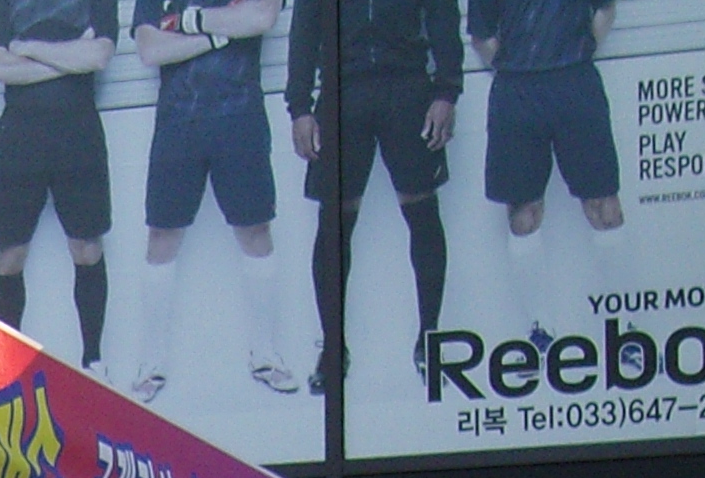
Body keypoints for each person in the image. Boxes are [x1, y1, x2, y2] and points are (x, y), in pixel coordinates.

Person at [287, 0, 463, 396]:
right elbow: (304, 28)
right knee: (334, 225)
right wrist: (299, 107)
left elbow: (442, 14)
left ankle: (430, 339)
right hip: (341, 92)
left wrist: (447, 91)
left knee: (422, 213)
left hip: (408, 87)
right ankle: (333, 348)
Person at [129, 2, 298, 402]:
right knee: (162, 238)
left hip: (241, 117)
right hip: (177, 122)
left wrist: (189, 24)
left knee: (255, 232)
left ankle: (266, 355)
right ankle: (152, 362)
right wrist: (223, 34)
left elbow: (261, 17)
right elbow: (151, 49)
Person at [469, 0, 624, 348]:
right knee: (523, 216)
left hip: (575, 84)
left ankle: (622, 327)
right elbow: (481, 36)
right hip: (517, 92)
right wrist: (516, 66)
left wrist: (579, 53)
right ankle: (539, 329)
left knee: (606, 210)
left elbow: (605, 9)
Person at [0, 0, 118, 366]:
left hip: (79, 131)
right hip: (19, 134)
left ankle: (93, 363)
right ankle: (9, 366)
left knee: (87, 248)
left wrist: (26, 49)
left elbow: (98, 56)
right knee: (9, 257)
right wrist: (69, 58)